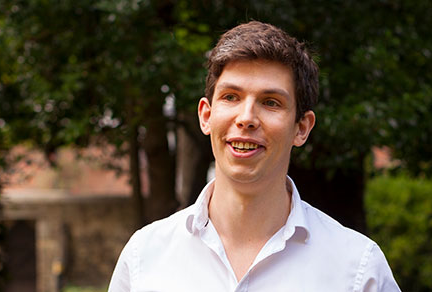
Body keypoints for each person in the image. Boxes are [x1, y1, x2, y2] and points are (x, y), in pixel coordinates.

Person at [108, 21, 401, 292]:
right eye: (231, 97)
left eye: (270, 102)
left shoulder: (359, 271)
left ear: (301, 128)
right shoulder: (143, 259)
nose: (246, 118)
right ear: (206, 116)